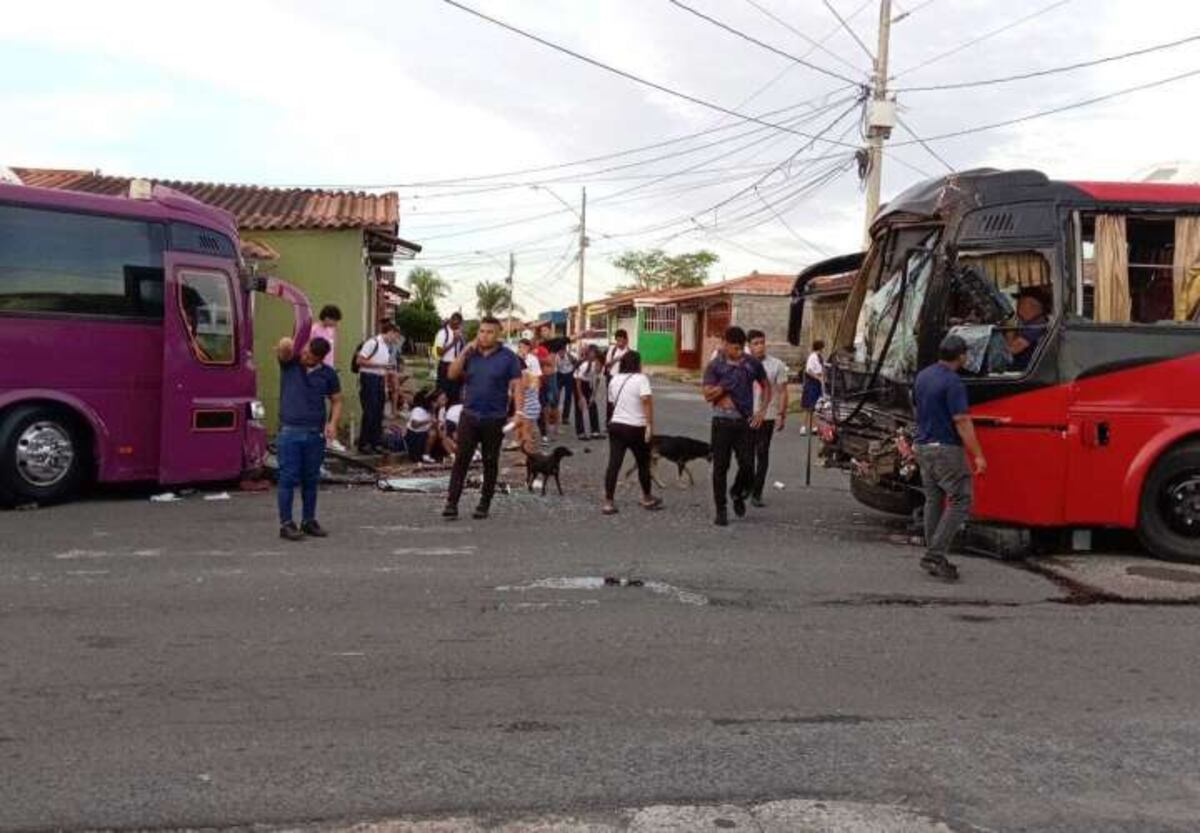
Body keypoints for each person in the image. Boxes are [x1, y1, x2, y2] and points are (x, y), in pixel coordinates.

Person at [912, 334, 989, 581]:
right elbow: (962, 420)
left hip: (923, 445)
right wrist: (978, 455)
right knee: (960, 500)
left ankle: (934, 552)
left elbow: (916, 406)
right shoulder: (953, 383)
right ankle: (935, 555)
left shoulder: (923, 376)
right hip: (946, 448)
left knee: (934, 500)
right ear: (962, 356)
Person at [443, 317, 524, 521]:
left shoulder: (508, 357)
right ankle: (452, 503)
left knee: (490, 461)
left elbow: (517, 385)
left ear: (498, 335)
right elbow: (451, 374)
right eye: (481, 331)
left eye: (489, 332)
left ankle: (484, 503)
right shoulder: (471, 355)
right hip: (470, 415)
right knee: (461, 459)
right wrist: (463, 352)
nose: (484, 336)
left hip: (494, 417)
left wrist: (519, 412)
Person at [275, 335, 342, 541]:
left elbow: (337, 400)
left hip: (315, 433)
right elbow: (284, 346)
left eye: (310, 356)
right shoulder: (291, 364)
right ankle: (286, 524)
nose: (305, 357)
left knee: (311, 480)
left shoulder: (328, 374)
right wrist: (292, 342)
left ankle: (308, 520)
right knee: (287, 478)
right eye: (305, 352)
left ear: (320, 358)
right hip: (290, 432)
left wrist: (333, 423)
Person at [702, 326, 769, 527]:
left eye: (741, 348)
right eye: (735, 348)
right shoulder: (715, 366)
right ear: (725, 344)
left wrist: (762, 410)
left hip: (744, 421)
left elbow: (766, 385)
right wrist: (723, 387)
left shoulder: (751, 364)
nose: (739, 353)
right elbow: (707, 395)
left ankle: (738, 493)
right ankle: (721, 509)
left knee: (748, 465)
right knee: (720, 467)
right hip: (722, 422)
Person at [603, 350, 662, 515]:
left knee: (614, 464)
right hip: (636, 426)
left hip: (616, 425)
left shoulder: (614, 379)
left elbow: (612, 402)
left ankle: (608, 501)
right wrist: (650, 425)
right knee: (643, 463)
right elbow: (646, 403)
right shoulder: (641, 379)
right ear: (637, 364)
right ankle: (647, 497)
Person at [746, 329, 790, 508]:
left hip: (767, 416)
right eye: (755, 343)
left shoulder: (776, 365)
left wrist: (781, 414)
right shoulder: (743, 364)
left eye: (762, 342)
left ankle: (757, 492)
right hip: (746, 416)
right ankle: (746, 486)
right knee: (746, 455)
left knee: (762, 454)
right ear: (749, 346)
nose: (760, 346)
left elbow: (783, 391)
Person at [356, 322, 400, 454]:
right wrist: (380, 366)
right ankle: (364, 443)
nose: (395, 339)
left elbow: (384, 367)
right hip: (369, 378)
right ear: (390, 332)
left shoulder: (386, 347)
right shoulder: (373, 342)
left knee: (378, 412)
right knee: (369, 412)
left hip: (380, 379)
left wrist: (386, 384)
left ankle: (375, 442)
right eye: (395, 336)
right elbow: (360, 360)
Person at [1005, 289, 1049, 371]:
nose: (1017, 306)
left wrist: (1009, 328)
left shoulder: (1037, 326)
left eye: (1021, 302)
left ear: (1031, 305)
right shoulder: (1031, 324)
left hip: (1023, 372)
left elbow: (1012, 350)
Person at [515, 338, 543, 452]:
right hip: (527, 404)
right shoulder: (524, 373)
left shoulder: (526, 374)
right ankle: (525, 455)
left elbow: (531, 385)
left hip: (529, 405)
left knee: (526, 432)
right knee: (522, 432)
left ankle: (529, 456)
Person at [433, 312, 466, 400]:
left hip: (456, 366)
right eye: (455, 323)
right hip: (445, 366)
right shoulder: (442, 333)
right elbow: (438, 353)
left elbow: (462, 350)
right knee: (442, 394)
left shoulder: (460, 334)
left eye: (458, 323)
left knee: (455, 394)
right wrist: (453, 342)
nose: (457, 325)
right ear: (450, 321)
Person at [574, 345, 603, 440]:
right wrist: (581, 397)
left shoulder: (600, 365)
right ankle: (580, 432)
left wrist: (593, 396)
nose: (598, 368)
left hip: (589, 384)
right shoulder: (584, 365)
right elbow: (578, 381)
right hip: (578, 383)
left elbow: (597, 381)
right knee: (580, 407)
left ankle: (595, 431)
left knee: (592, 405)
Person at [603, 329, 630, 427]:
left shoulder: (629, 352)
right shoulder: (612, 350)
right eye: (618, 340)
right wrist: (616, 359)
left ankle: (621, 422)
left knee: (622, 401)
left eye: (622, 340)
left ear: (626, 340)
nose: (619, 343)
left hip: (623, 379)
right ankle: (609, 422)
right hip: (612, 377)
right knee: (610, 401)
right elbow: (606, 364)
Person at [799, 339, 825, 434]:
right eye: (822, 347)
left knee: (816, 406)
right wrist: (818, 378)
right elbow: (809, 370)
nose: (823, 349)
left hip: (817, 384)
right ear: (820, 347)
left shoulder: (819, 357)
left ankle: (814, 427)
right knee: (808, 406)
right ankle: (803, 427)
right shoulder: (812, 357)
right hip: (812, 383)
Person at [310, 305, 342, 369]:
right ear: (327, 318)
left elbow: (333, 348)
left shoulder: (331, 330)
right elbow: (310, 348)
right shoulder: (314, 330)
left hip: (329, 365)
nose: (336, 323)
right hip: (317, 366)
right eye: (335, 320)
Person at [556, 340, 577, 426]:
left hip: (569, 374)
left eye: (563, 351)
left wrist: (573, 371)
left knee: (568, 396)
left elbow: (576, 363)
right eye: (560, 351)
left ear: (565, 351)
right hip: (559, 374)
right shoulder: (556, 357)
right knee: (556, 395)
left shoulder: (570, 356)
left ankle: (565, 417)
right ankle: (555, 416)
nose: (561, 353)